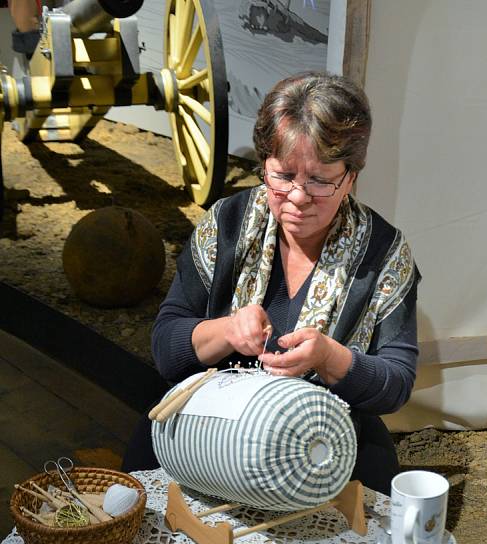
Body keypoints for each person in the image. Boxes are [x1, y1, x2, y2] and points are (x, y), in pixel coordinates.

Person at [123, 71, 420, 495]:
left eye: (319, 180)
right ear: (264, 164)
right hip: (212, 426)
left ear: (351, 176)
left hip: (325, 438)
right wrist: (226, 329)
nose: (298, 197)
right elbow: (166, 349)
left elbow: (396, 383)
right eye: (282, 176)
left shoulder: (384, 253)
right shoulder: (228, 225)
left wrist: (330, 358)